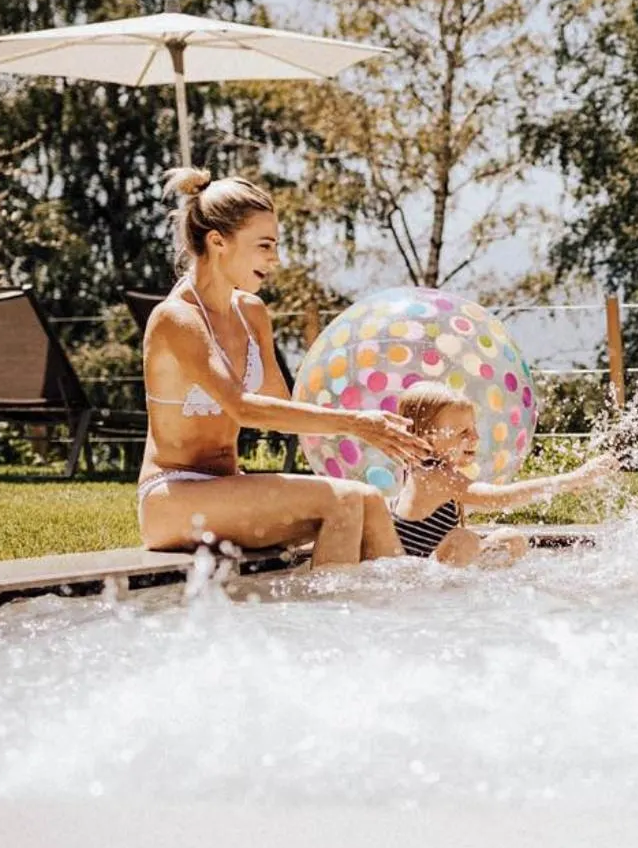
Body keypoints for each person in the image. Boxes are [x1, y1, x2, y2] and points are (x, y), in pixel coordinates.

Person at [137, 169, 429, 566]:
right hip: (172, 495)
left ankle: (396, 614)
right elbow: (243, 408)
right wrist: (356, 423)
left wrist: (369, 414)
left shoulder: (251, 313)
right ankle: (326, 620)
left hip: (229, 488)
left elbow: (280, 408)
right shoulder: (176, 319)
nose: (274, 260)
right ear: (218, 241)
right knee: (341, 503)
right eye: (264, 246)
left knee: (369, 501)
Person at [386, 384, 618, 564]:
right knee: (464, 540)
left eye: (474, 428)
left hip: (431, 564)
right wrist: (571, 479)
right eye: (463, 432)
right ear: (426, 438)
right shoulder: (431, 475)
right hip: (415, 576)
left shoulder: (425, 470)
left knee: (510, 540)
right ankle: (452, 598)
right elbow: (497, 498)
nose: (475, 438)